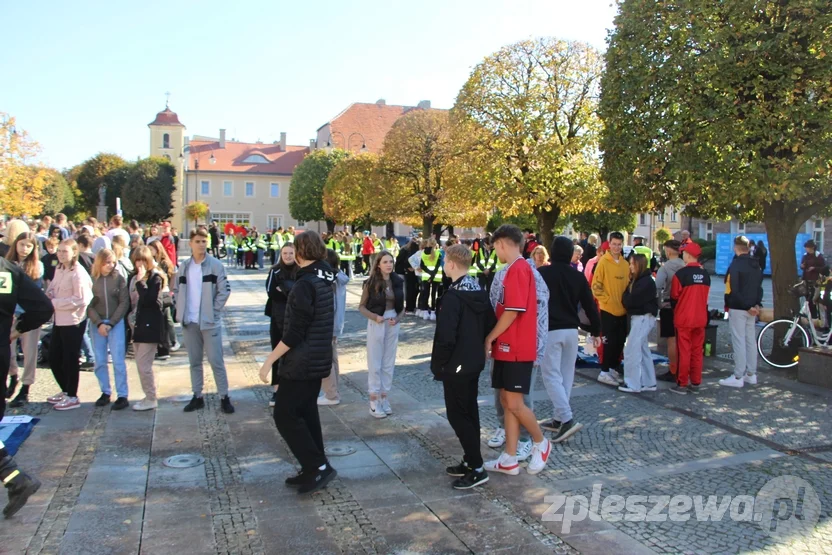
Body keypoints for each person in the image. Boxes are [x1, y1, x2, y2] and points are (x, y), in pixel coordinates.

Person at [258, 231, 337, 495]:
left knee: (285, 414)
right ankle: (314, 466)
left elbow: (294, 333)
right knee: (305, 412)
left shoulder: (305, 284)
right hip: (316, 356)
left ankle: (317, 465)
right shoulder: (323, 277)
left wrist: (269, 362)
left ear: (301, 253)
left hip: (303, 360)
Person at [483, 225, 551, 476]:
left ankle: (540, 442)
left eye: (494, 246)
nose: (494, 251)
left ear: (502, 243)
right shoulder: (512, 269)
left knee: (514, 401)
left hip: (517, 348)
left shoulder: (520, 269)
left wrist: (490, 336)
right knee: (506, 400)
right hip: (506, 347)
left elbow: (513, 310)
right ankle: (509, 458)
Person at [432, 244, 494, 489]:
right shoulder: (478, 289)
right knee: (469, 411)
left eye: (445, 260)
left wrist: (439, 365)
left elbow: (445, 336)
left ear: (453, 264)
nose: (443, 264)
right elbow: (490, 321)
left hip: (457, 364)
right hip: (473, 361)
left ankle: (477, 467)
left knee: (458, 414)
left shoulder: (454, 296)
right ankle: (470, 460)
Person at [0, 256, 54, 519]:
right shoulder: (9, 270)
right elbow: (43, 308)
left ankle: (16, 479)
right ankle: (15, 479)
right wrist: (16, 329)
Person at [538, 236, 600, 442]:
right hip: (572, 331)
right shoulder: (577, 276)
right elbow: (590, 305)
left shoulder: (542, 273)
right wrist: (597, 330)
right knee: (565, 375)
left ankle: (566, 417)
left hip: (550, 329)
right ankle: (558, 417)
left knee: (551, 375)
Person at [174, 229, 234, 414]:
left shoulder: (215, 265)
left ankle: (224, 396)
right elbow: (176, 289)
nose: (201, 244)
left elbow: (224, 290)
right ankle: (197, 396)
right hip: (189, 321)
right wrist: (181, 310)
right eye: (198, 241)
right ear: (190, 243)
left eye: (204, 241)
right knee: (194, 361)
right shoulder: (184, 266)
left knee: (216, 361)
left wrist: (214, 312)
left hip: (209, 322)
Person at [45, 239, 94, 411]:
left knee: (70, 359)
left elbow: (82, 299)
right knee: (54, 357)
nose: (60, 254)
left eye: (65, 251)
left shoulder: (78, 273)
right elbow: (53, 287)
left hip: (73, 321)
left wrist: (56, 303)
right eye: (59, 251)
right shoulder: (59, 268)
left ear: (74, 252)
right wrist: (48, 294)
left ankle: (72, 395)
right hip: (59, 319)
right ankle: (65, 390)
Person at [359, 251, 404, 418]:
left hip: (392, 322)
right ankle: (373, 400)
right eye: (385, 262)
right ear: (378, 264)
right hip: (377, 322)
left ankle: (384, 397)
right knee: (375, 361)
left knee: (388, 361)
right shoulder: (370, 283)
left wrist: (398, 318)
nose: (389, 265)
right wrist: (375, 317)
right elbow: (362, 307)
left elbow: (403, 306)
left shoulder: (398, 281)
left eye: (391, 261)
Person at [5, 232, 45, 407]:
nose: (25, 249)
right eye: (22, 244)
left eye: (29, 246)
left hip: (28, 316)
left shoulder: (38, 266)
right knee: (9, 352)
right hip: (9, 314)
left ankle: (26, 387)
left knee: (29, 353)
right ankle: (13, 376)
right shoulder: (6, 264)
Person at [88, 249, 130, 410]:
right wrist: (98, 323)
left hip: (115, 322)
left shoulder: (119, 279)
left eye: (113, 262)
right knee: (100, 360)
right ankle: (105, 391)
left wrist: (111, 323)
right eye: (107, 263)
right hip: (97, 322)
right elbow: (89, 304)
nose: (110, 266)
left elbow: (123, 302)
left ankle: (122, 394)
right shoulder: (93, 279)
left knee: (118, 360)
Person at [720, 236, 764, 388]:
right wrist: (756, 304)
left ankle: (738, 375)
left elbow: (734, 289)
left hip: (740, 307)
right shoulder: (756, 264)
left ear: (736, 247)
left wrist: (746, 306)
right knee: (750, 340)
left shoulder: (736, 264)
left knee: (739, 341)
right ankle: (751, 374)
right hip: (752, 307)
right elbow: (759, 286)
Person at [127, 246, 166, 410]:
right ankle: (147, 395)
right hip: (136, 325)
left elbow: (152, 301)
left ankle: (151, 397)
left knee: (144, 365)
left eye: (143, 260)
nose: (140, 264)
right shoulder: (133, 277)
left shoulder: (155, 278)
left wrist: (141, 282)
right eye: (137, 260)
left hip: (150, 327)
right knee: (140, 365)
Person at [670, 242, 711, 395]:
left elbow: (674, 296)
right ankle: (696, 382)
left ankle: (682, 383)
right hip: (700, 318)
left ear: (687, 255)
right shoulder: (706, 275)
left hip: (684, 318)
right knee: (697, 351)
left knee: (684, 351)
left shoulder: (681, 274)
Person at [592, 231, 630, 387]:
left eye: (619, 244)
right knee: (608, 341)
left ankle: (613, 367)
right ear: (609, 244)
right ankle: (604, 370)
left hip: (623, 310)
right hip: (608, 309)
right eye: (614, 244)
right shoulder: (603, 262)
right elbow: (596, 286)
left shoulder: (625, 264)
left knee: (620, 341)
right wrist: (606, 300)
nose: (616, 247)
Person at [618, 254, 659, 393]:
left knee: (632, 350)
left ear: (639, 265)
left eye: (632, 264)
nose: (630, 266)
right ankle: (649, 382)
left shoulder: (644, 282)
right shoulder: (641, 280)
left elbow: (630, 300)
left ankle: (633, 383)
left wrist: (627, 297)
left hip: (642, 317)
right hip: (641, 317)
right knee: (642, 349)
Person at [265, 244, 297, 407]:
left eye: (291, 253)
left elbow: (300, 292)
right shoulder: (275, 270)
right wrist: (288, 291)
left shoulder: (300, 270)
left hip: (295, 317)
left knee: (294, 354)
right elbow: (271, 292)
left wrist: (284, 289)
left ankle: (293, 389)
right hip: (277, 316)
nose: (288, 256)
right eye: (285, 253)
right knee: (277, 352)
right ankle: (277, 389)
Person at [319, 249, 349, 406]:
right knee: (333, 358)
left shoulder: (330, 280)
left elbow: (332, 304)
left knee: (327, 360)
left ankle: (331, 394)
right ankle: (333, 390)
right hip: (336, 324)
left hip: (329, 324)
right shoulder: (339, 277)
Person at [654, 240, 685, 382]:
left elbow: (657, 287)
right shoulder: (685, 265)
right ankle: (683, 368)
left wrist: (657, 303)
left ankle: (673, 370)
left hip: (668, 306)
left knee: (672, 340)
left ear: (668, 251)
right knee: (683, 339)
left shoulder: (665, 268)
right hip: (684, 306)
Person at [148, 240, 179, 354]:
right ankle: (164, 341)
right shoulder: (152, 261)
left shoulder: (164, 262)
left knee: (167, 318)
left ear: (157, 249)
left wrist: (170, 292)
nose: (150, 252)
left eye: (151, 249)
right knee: (163, 318)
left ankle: (174, 340)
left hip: (165, 292)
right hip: (158, 292)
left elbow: (171, 276)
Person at [800, 240, 826, 319]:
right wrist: (802, 266)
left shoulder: (818, 256)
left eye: (807, 247)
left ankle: (815, 317)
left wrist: (814, 268)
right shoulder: (805, 256)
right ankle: (809, 316)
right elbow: (801, 266)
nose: (806, 249)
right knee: (807, 298)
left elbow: (824, 268)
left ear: (812, 248)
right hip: (806, 280)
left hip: (815, 281)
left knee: (813, 300)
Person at [418, 238, 442, 320]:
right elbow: (438, 266)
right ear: (435, 244)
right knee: (434, 294)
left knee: (425, 294)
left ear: (428, 244)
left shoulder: (423, 253)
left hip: (426, 276)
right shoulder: (438, 252)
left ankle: (424, 312)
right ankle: (432, 312)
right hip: (436, 277)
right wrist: (432, 276)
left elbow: (422, 266)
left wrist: (429, 274)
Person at [396, 238, 420, 315]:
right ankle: (410, 307)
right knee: (410, 290)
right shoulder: (412, 252)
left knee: (407, 290)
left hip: (404, 272)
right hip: (408, 273)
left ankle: (407, 307)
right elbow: (407, 261)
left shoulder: (405, 250)